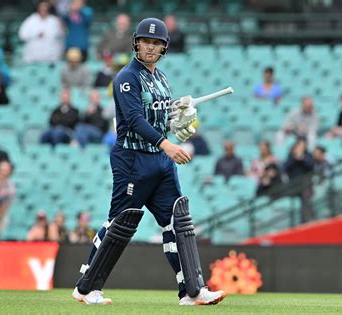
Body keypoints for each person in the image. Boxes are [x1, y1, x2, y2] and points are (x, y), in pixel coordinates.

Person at [71, 18, 226, 306]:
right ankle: (86, 288)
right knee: (120, 223)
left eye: (157, 43)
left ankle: (193, 291)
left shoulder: (162, 78)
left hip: (159, 161)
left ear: (164, 47)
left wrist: (177, 115)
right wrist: (167, 144)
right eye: (146, 42)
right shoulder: (126, 78)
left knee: (177, 222)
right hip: (133, 159)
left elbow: (159, 117)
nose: (151, 47)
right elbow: (133, 120)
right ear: (136, 44)